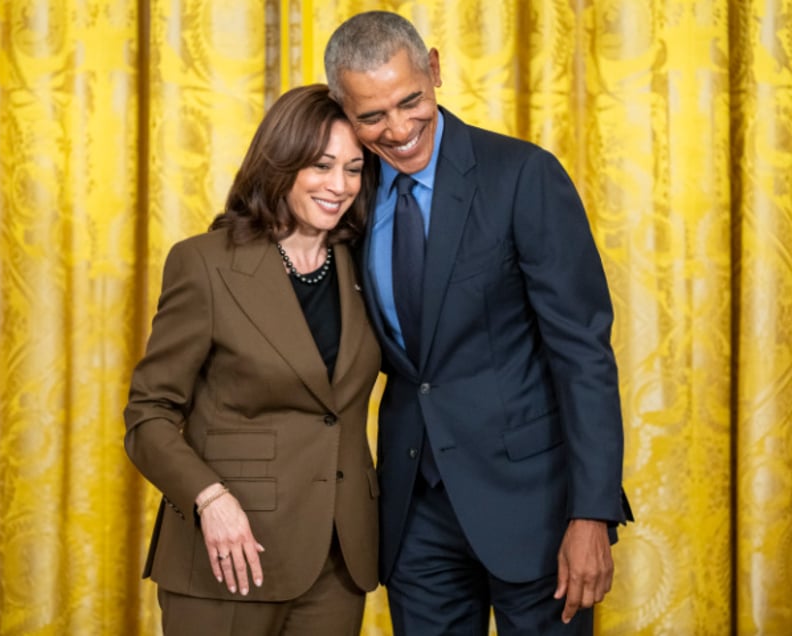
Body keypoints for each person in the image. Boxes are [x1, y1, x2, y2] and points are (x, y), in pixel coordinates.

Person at [324, 11, 633, 635]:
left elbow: (583, 353)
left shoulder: (522, 175)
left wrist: (592, 515)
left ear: (435, 69)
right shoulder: (347, 194)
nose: (399, 128)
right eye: (372, 116)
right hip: (415, 517)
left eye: (410, 101)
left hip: (536, 512)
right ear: (343, 110)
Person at [123, 83, 382, 636]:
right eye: (321, 165)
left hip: (339, 560)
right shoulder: (205, 264)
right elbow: (148, 416)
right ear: (281, 163)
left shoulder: (369, 264)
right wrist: (209, 499)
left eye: (354, 169)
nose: (339, 186)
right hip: (230, 554)